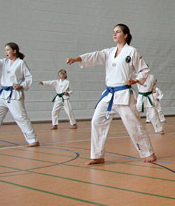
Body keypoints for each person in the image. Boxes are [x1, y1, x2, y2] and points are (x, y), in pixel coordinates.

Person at [66, 24, 156, 165]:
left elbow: (144, 70)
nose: (114, 34)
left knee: (133, 124)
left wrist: (136, 80)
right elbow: (94, 56)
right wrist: (77, 59)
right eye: (113, 32)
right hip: (109, 94)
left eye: (117, 32)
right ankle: (97, 155)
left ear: (125, 35)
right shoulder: (109, 52)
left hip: (124, 94)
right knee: (96, 121)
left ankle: (148, 152)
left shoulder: (132, 52)